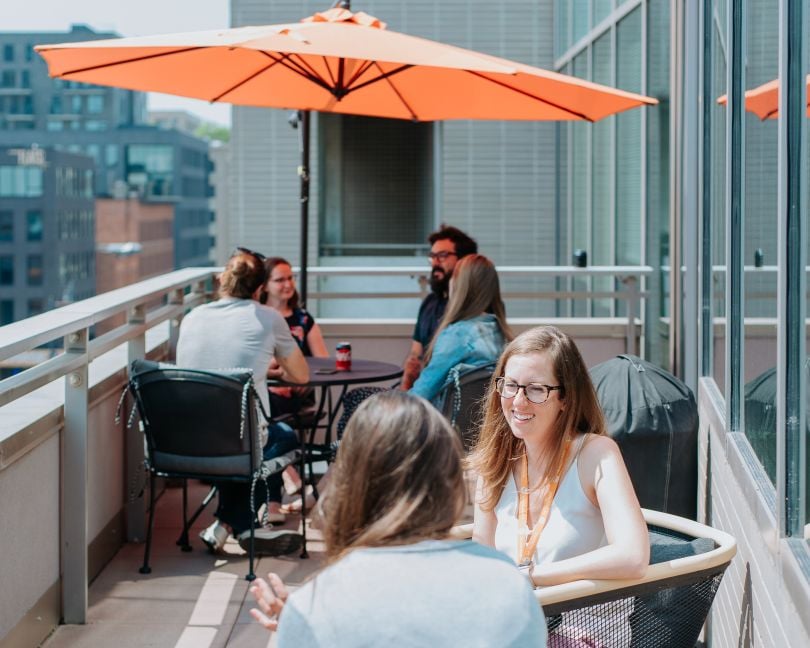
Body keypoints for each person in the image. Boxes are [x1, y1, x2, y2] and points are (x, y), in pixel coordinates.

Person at [249, 391, 548, 647]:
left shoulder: (316, 605)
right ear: (449, 482)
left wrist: (297, 629)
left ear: (349, 486)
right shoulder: (506, 585)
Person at [470, 325, 649, 647]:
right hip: (515, 628)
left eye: (536, 389)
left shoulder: (595, 454)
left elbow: (633, 557)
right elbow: (482, 563)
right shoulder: (494, 463)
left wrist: (531, 576)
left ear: (565, 397)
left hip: (584, 634)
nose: (518, 401)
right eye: (510, 386)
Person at [176, 247, 310, 555]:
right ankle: (240, 523)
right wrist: (267, 365)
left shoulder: (191, 317)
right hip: (240, 443)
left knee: (237, 441)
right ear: (261, 288)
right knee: (283, 438)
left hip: (186, 441)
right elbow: (301, 376)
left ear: (222, 279)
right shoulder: (268, 318)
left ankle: (228, 525)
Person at [335, 253, 511, 438]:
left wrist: (400, 392)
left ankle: (353, 464)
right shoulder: (500, 334)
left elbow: (421, 394)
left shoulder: (457, 335)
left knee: (357, 398)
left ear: (460, 287)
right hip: (475, 435)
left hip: (433, 431)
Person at [401, 225, 478, 390]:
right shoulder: (430, 302)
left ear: (464, 261)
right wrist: (405, 390)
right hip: (422, 390)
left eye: (442, 256)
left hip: (445, 397)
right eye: (432, 256)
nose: (435, 262)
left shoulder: (473, 311)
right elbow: (414, 359)